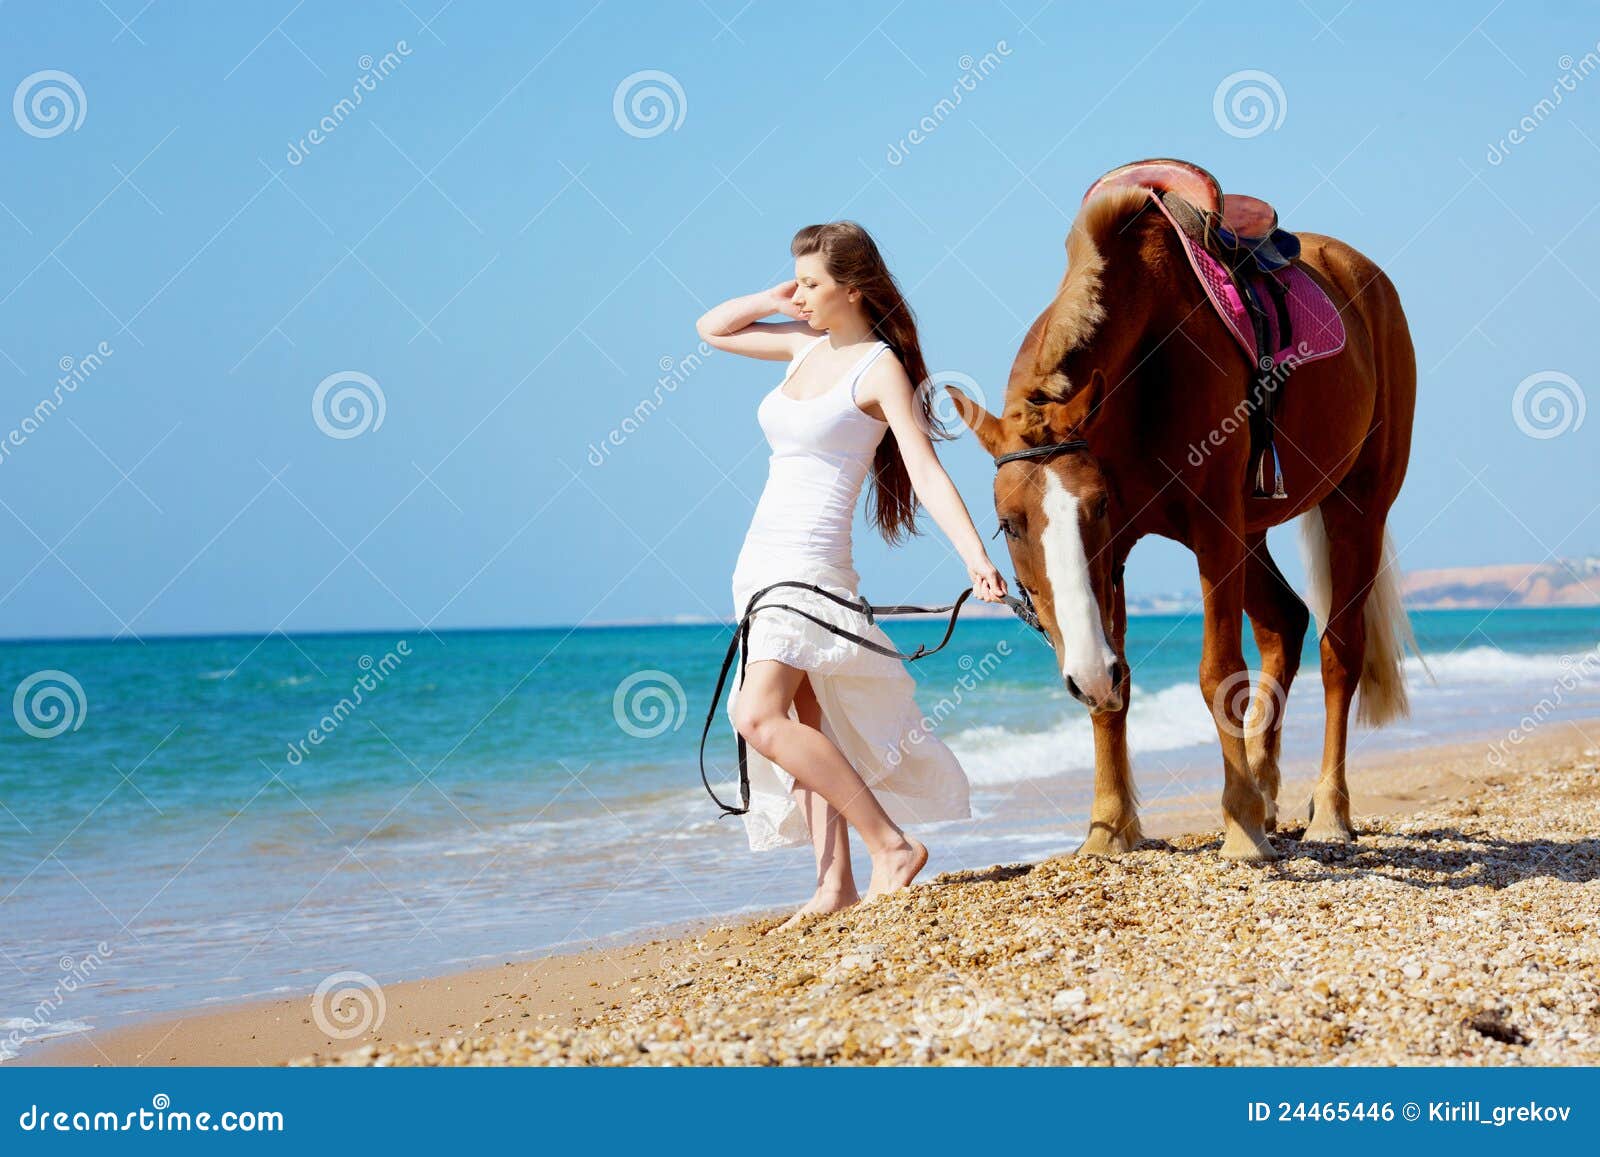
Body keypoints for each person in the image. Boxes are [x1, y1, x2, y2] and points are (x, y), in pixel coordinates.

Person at [695, 220, 1009, 932]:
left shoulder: (877, 367)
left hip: (808, 566)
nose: (800, 295)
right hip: (759, 564)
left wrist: (975, 557)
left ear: (855, 289)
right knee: (805, 719)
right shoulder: (802, 345)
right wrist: (773, 295)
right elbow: (710, 328)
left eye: (812, 283)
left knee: (755, 715)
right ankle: (832, 883)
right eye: (797, 282)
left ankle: (890, 846)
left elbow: (924, 467)